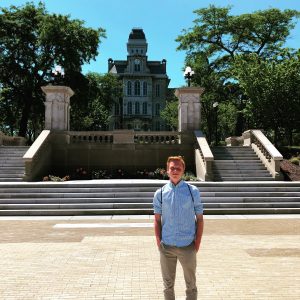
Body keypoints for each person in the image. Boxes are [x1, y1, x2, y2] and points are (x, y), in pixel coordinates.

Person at [153, 156, 204, 300]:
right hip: (166, 246)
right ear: (167, 171)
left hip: (188, 245)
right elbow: (157, 220)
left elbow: (199, 219)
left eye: (178, 168)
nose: (175, 171)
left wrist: (197, 243)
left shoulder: (192, 191)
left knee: (191, 285)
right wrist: (159, 243)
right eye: (172, 168)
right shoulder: (160, 193)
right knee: (167, 286)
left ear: (183, 170)